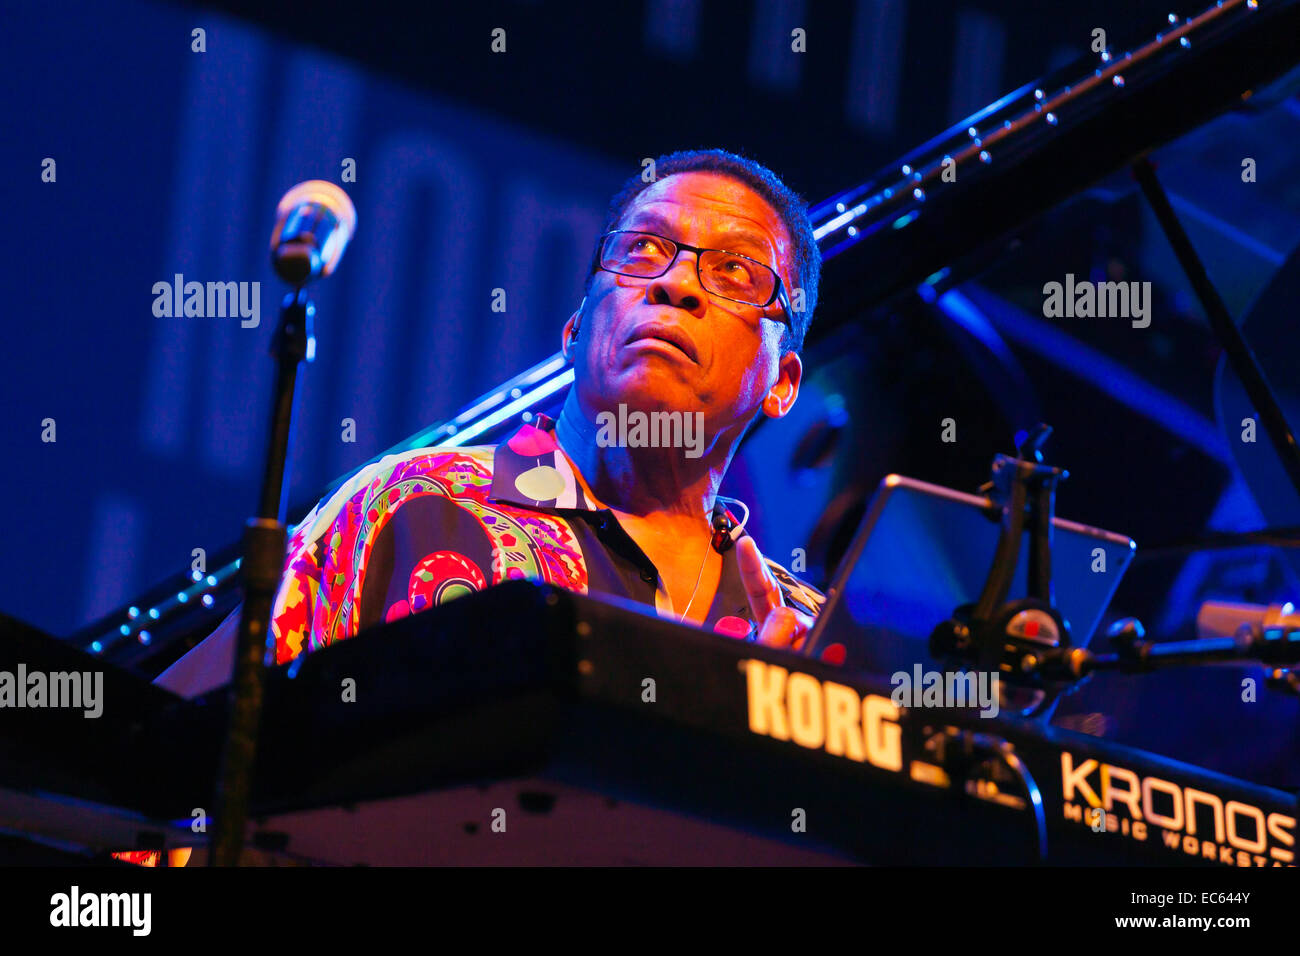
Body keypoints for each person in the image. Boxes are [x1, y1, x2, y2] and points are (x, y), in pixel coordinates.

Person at [158, 147, 837, 698]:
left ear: (781, 383)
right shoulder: (410, 508)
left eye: (734, 271)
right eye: (642, 249)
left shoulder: (809, 636)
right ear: (574, 332)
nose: (676, 284)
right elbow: (177, 775)